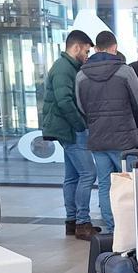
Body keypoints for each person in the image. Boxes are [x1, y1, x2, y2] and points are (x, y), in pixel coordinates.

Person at [75, 30, 138, 234]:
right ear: (114, 47)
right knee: (129, 184)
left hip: (97, 137)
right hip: (124, 138)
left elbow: (81, 107)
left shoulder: (81, 75)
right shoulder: (124, 71)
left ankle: (113, 228)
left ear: (96, 48)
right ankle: (132, 228)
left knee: (105, 184)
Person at [41, 29, 99, 238]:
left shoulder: (65, 66)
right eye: (85, 50)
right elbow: (64, 100)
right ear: (76, 47)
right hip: (70, 129)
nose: (87, 55)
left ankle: (72, 220)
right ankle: (83, 223)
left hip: (65, 129)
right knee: (88, 173)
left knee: (72, 176)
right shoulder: (64, 69)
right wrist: (80, 125)